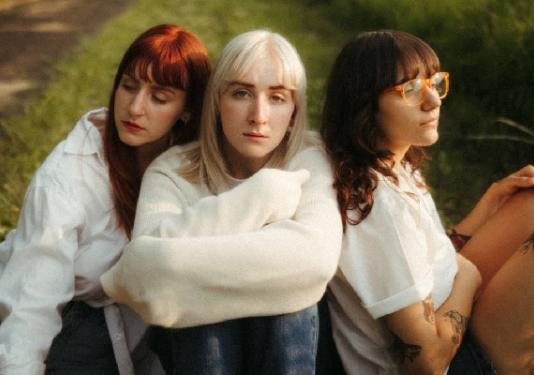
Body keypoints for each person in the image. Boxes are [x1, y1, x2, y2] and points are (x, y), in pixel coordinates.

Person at [100, 30, 343, 374]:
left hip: (290, 347)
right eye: (242, 93)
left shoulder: (310, 157)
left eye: (277, 98)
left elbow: (316, 262)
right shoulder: (171, 171)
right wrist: (262, 195)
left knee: (288, 307)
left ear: (294, 110)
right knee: (208, 314)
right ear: (216, 100)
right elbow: (145, 277)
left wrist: (188, 268)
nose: (258, 115)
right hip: (197, 353)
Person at [320, 30, 534, 375]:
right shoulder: (380, 210)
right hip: (455, 361)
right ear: (365, 105)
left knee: (530, 203)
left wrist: (490, 203)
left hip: (450, 318)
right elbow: (427, 364)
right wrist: (470, 278)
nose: (433, 100)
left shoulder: (392, 167)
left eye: (434, 82)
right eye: (410, 90)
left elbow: (427, 255)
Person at [0, 24, 210, 375]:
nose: (135, 107)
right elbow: (32, 303)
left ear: (186, 111)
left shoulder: (194, 164)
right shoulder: (67, 176)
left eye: (159, 97)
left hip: (154, 316)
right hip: (76, 314)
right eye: (128, 86)